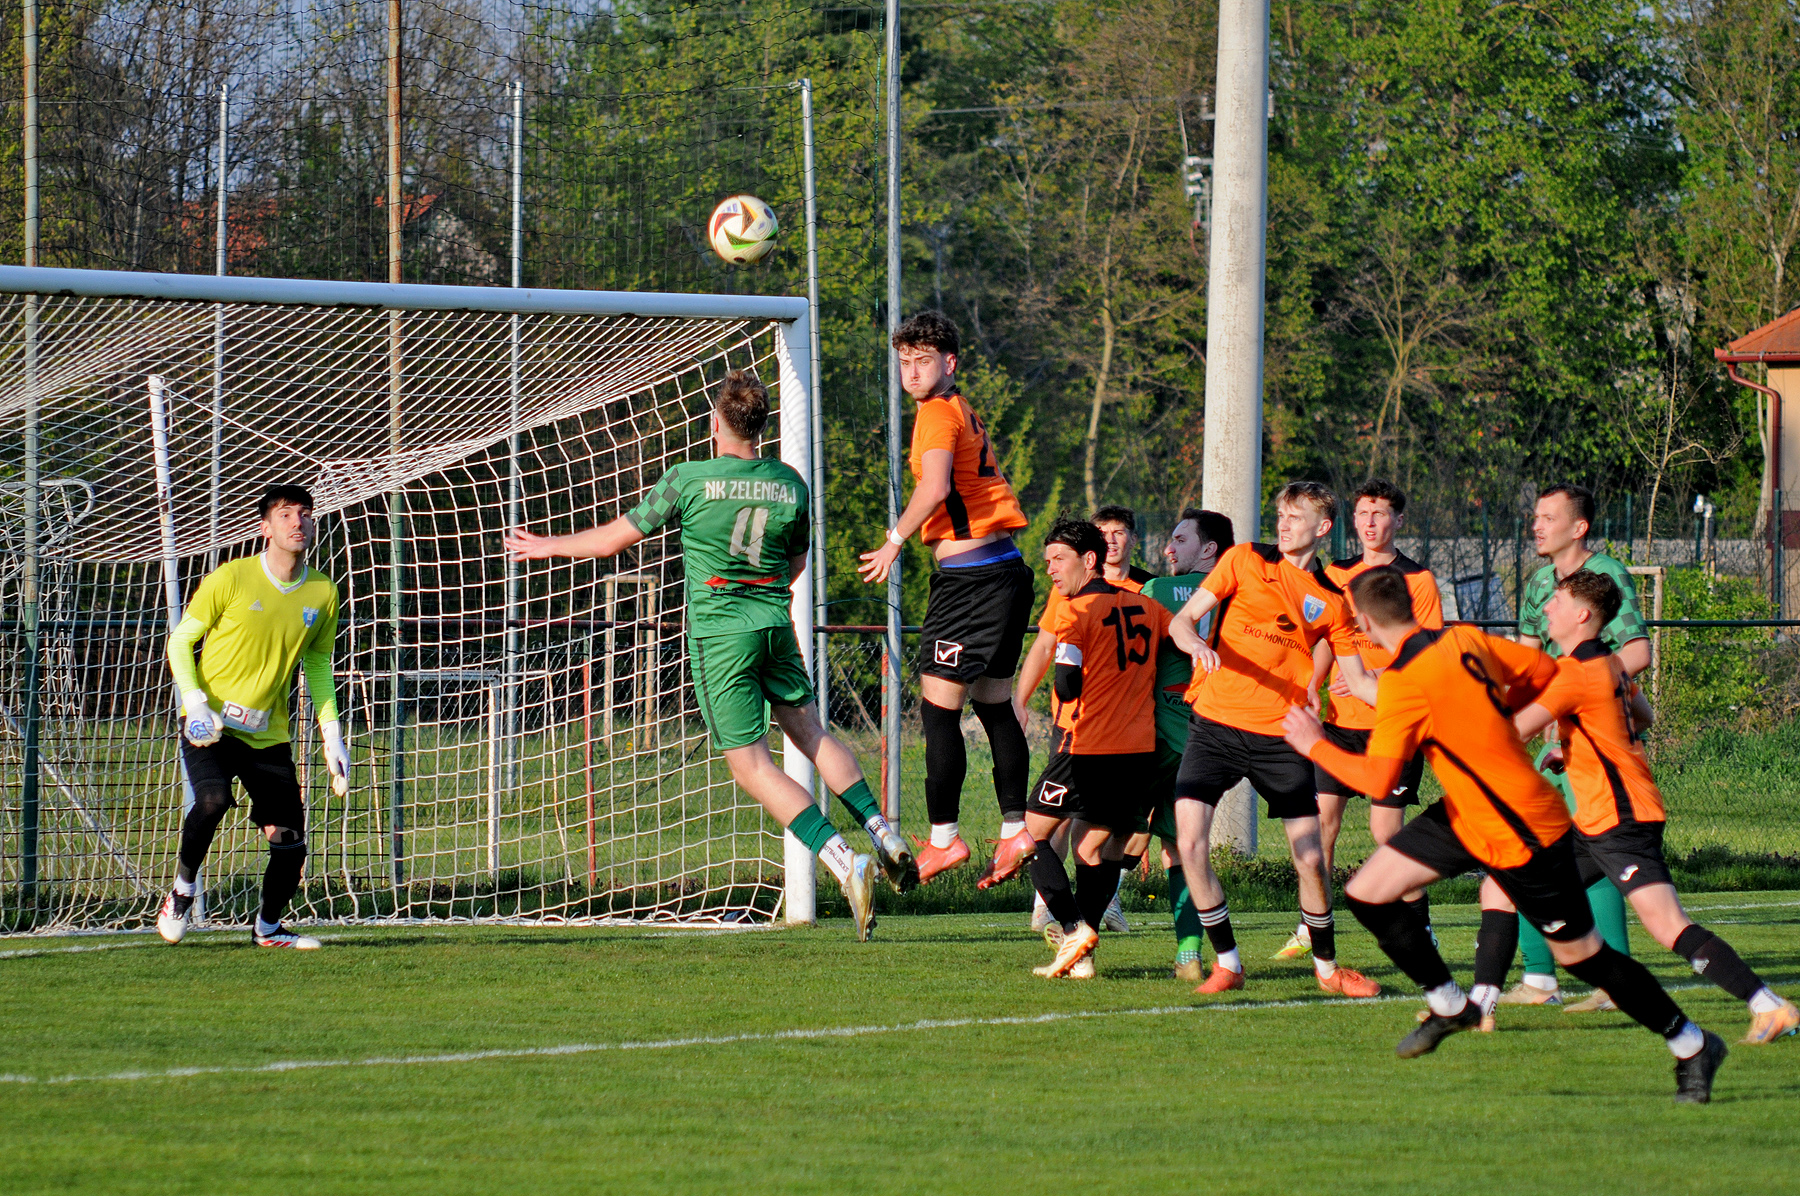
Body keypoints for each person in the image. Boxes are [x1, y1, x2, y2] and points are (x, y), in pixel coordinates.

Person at [1283, 566, 1728, 1103]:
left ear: (1364, 622)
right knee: (1367, 892)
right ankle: (1451, 1005)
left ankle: (1692, 1043)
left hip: (1524, 828)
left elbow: (1378, 780)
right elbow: (1543, 669)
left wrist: (1314, 745)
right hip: (1467, 814)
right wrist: (1492, 712)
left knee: (1584, 957)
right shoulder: (1465, 638)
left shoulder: (1403, 682)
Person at [506, 370, 914, 940]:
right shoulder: (790, 482)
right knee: (810, 731)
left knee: (752, 766)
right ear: (761, 426)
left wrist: (546, 545)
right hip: (775, 624)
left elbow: (612, 541)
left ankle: (845, 861)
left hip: (722, 636)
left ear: (715, 423)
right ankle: (881, 830)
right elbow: (796, 563)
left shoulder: (688, 479)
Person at [1501, 569, 1797, 1043]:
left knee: (1667, 925)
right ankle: (1485, 1001)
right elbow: (1643, 716)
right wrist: (1574, 748)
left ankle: (1769, 1006)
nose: (1547, 608)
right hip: (1598, 819)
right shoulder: (1610, 663)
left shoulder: (1575, 673)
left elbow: (1514, 731)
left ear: (1582, 615)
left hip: (1620, 819)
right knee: (1516, 884)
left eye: (1556, 600)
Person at [1166, 482, 1383, 997]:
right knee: (1190, 842)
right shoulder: (1244, 560)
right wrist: (1194, 643)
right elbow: (1181, 621)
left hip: (1282, 737)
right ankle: (1228, 963)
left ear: (1322, 527)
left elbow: (1361, 681)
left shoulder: (1332, 601)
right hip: (1215, 726)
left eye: (1295, 517)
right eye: (1281, 515)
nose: (1283, 525)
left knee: (1310, 858)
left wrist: (1426, 704)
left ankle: (1327, 970)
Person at [857, 311, 1034, 884]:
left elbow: (934, 488)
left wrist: (893, 541)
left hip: (971, 585)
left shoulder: (936, 413)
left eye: (923, 360)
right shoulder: (960, 408)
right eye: (904, 361)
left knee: (938, 711)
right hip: (1005, 573)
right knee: (994, 704)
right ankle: (1014, 830)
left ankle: (944, 841)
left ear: (949, 362)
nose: (911, 372)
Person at [157, 483, 349, 950]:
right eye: (285, 514)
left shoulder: (323, 592)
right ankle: (181, 890)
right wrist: (195, 701)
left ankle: (267, 928)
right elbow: (181, 641)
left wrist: (332, 735)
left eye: (305, 513)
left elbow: (317, 664)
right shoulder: (231, 577)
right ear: (265, 528)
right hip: (211, 723)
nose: (298, 522)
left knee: (290, 842)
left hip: (267, 733)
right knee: (212, 801)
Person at [1276, 479, 1443, 960]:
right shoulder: (1336, 574)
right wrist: (1314, 683)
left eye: (1380, 513)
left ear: (1398, 521)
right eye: (1363, 513)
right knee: (1321, 826)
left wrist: (1373, 677)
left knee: (1386, 834)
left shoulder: (1418, 580)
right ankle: (1313, 927)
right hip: (1338, 723)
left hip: (1392, 725)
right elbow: (1326, 636)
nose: (1370, 522)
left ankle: (1421, 926)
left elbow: (1427, 652)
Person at [1502, 482, 1652, 1013]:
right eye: (1535, 516)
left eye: (1548, 517)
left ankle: (1610, 981)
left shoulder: (1606, 575)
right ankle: (1540, 978)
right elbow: (1526, 665)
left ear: (1579, 527)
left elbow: (1637, 653)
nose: (1537, 525)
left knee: (1590, 854)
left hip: (1590, 746)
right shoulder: (1540, 582)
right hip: (1549, 743)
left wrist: (1573, 696)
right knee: (1531, 851)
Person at [1007, 519, 1171, 979]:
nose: (1051, 570)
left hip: (1085, 747)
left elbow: (1066, 682)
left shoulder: (1074, 611)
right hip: (1138, 750)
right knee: (1093, 848)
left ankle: (1074, 928)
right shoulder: (1148, 606)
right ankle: (1083, 956)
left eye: (1058, 559)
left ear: (1089, 560)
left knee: (1027, 838)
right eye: (1047, 561)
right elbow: (1180, 641)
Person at [1138, 509, 1234, 980]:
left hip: (1153, 736)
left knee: (1102, 837)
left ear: (1210, 549)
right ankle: (1189, 954)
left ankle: (1080, 937)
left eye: (1180, 539)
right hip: (1213, 737)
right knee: (1182, 847)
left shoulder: (1159, 590)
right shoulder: (1242, 593)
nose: (1168, 548)